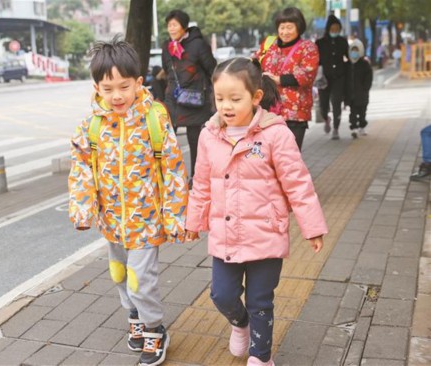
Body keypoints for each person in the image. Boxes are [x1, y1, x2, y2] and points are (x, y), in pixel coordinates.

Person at [185, 57, 328, 366]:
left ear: (256, 97)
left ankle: (261, 358)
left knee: (260, 301)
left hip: (266, 233)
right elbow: (201, 183)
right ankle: (240, 324)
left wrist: (312, 226)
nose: (226, 106)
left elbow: (298, 183)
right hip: (226, 234)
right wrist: (193, 221)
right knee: (221, 295)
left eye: (235, 99)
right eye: (220, 98)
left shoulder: (275, 134)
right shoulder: (209, 135)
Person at [68, 37, 189, 366]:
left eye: (124, 86)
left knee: (140, 279)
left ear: (139, 83)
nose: (117, 95)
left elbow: (173, 170)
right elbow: (82, 171)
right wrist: (82, 207)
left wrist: (176, 216)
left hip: (147, 221)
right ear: (97, 87)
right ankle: (134, 314)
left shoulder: (155, 119)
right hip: (113, 223)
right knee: (119, 274)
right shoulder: (92, 126)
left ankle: (155, 328)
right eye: (108, 89)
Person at [162, 9, 217, 180]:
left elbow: (212, 69)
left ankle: (196, 178)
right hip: (173, 99)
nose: (171, 29)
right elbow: (166, 70)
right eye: (169, 25)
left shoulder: (198, 44)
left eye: (175, 25)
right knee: (167, 140)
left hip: (195, 100)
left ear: (184, 26)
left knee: (195, 142)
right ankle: (170, 178)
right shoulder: (167, 46)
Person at [256, 7, 319, 150]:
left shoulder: (307, 48)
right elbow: (255, 63)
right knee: (267, 156)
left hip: (294, 115)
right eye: (282, 27)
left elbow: (307, 75)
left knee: (289, 157)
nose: (285, 32)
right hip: (267, 112)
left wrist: (278, 80)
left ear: (299, 28)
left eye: (290, 27)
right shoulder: (268, 44)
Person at [316, 14, 350, 140]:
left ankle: (336, 128)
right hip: (324, 78)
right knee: (323, 105)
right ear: (328, 28)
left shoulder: (343, 41)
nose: (335, 31)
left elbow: (349, 57)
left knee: (337, 103)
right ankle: (326, 118)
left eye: (337, 29)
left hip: (339, 77)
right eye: (333, 28)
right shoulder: (320, 43)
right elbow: (315, 61)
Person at [346, 39, 373, 139]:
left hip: (362, 94)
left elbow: (369, 78)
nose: (354, 53)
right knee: (353, 112)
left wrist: (365, 88)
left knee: (362, 112)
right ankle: (354, 128)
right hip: (351, 95)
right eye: (353, 50)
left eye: (356, 50)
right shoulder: (348, 65)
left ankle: (362, 125)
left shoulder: (365, 64)